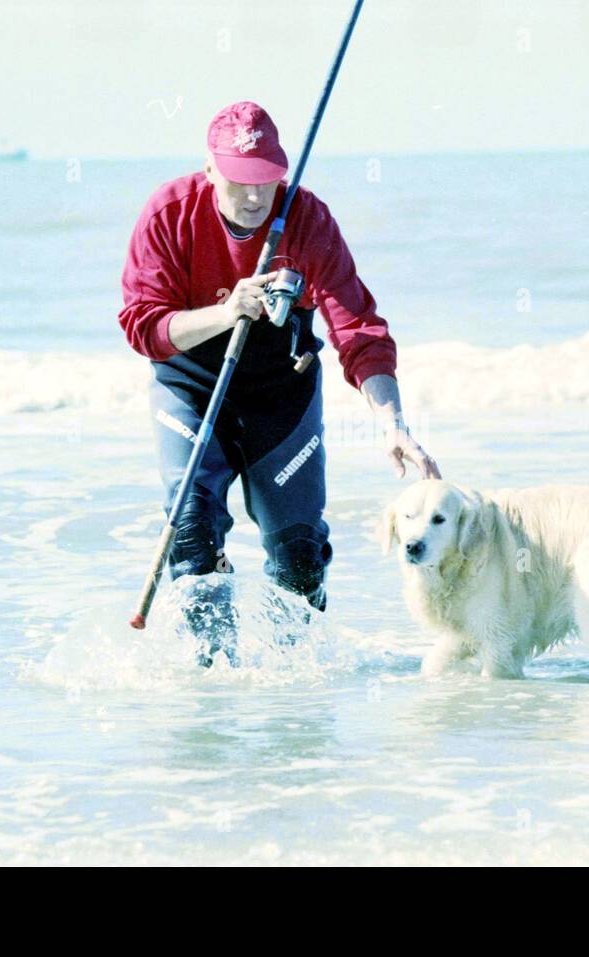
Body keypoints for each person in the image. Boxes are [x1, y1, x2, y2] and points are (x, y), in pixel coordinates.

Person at [119, 100, 440, 664]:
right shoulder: (169, 213)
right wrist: (225, 313)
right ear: (210, 167)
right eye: (238, 180)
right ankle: (210, 684)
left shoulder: (307, 219)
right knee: (191, 538)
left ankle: (293, 695)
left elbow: (358, 329)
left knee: (298, 557)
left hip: (280, 391)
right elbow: (144, 326)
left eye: (266, 180)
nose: (252, 197)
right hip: (192, 388)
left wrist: (391, 422)